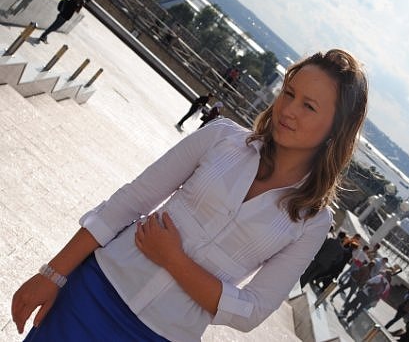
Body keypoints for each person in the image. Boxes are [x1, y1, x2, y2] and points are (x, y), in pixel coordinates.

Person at [11, 49, 369, 341]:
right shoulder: (221, 138)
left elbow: (252, 311)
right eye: (289, 93)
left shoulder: (312, 222)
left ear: (337, 128)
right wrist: (52, 274)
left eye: (309, 106)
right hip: (91, 292)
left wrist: (173, 259)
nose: (288, 110)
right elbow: (128, 202)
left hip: (161, 336)